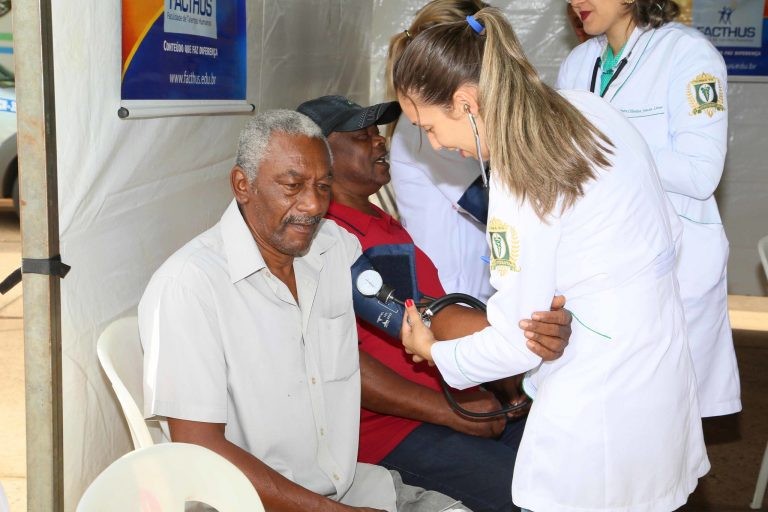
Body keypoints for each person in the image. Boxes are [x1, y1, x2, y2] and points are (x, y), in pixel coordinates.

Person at [393, 8, 709, 512]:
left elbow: (517, 343)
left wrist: (434, 351)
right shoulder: (588, 108)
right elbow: (663, 231)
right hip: (657, 359)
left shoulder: (520, 176)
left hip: (597, 393)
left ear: (466, 102)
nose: (434, 144)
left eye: (427, 126)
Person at [139, 110, 471, 512]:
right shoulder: (190, 286)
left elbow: (406, 314)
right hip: (243, 501)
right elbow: (198, 450)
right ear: (242, 185)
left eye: (323, 186)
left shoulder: (334, 248)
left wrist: (506, 338)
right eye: (293, 186)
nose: (313, 205)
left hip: (345, 488)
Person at [297, 95, 572, 512]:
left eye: (376, 133)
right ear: (321, 158)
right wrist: (453, 411)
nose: (379, 143)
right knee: (531, 496)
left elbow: (435, 313)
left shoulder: (378, 222)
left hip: (452, 398)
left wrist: (501, 381)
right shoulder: (323, 240)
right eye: (361, 137)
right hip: (391, 432)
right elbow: (342, 364)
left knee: (569, 464)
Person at [555, 0, 740, 419]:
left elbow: (700, 173)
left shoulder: (688, 55)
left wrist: (604, 142)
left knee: (666, 422)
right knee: (607, 419)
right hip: (600, 263)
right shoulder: (579, 63)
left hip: (674, 267)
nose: (575, 2)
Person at [386, 0, 495, 302]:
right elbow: (489, 204)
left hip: (471, 288)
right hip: (452, 294)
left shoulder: (445, 117)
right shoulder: (425, 128)